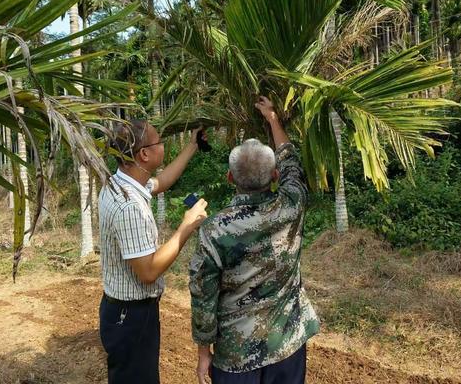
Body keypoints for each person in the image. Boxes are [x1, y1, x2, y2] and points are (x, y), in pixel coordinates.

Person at [190, 96, 320, 384]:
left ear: (229, 178)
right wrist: (272, 118)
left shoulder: (215, 230)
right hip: (287, 345)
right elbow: (291, 164)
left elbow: (203, 295)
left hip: (237, 357)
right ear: (274, 176)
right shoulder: (291, 205)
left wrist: (203, 352)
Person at [99, 119, 208, 384]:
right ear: (144, 154)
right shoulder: (129, 207)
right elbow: (148, 271)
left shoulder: (122, 182)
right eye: (159, 142)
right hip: (131, 317)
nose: (163, 145)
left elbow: (161, 182)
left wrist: (192, 146)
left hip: (126, 312)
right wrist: (186, 227)